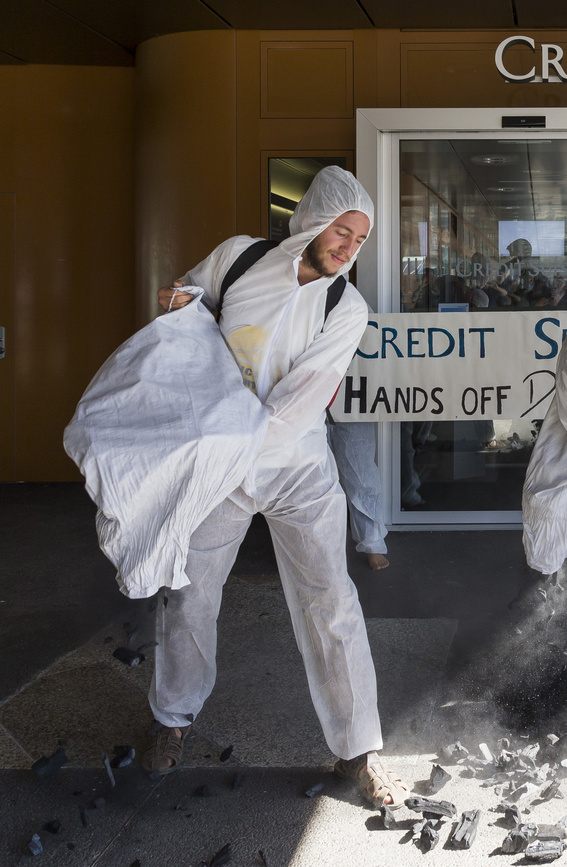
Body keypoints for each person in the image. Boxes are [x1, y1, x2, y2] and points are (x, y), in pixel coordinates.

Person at [148, 167, 408, 805]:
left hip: (297, 468)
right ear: (315, 219)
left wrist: (232, 446)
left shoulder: (347, 307)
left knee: (331, 601)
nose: (348, 247)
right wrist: (177, 299)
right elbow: (193, 298)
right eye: (342, 231)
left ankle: (358, 749)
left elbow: (297, 404)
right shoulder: (240, 258)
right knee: (188, 592)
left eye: (360, 240)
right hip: (219, 464)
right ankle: (170, 719)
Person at [326, 418, 390, 570]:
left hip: (350, 400)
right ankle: (320, 546)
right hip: (309, 400)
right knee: (315, 479)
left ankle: (372, 542)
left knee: (362, 475)